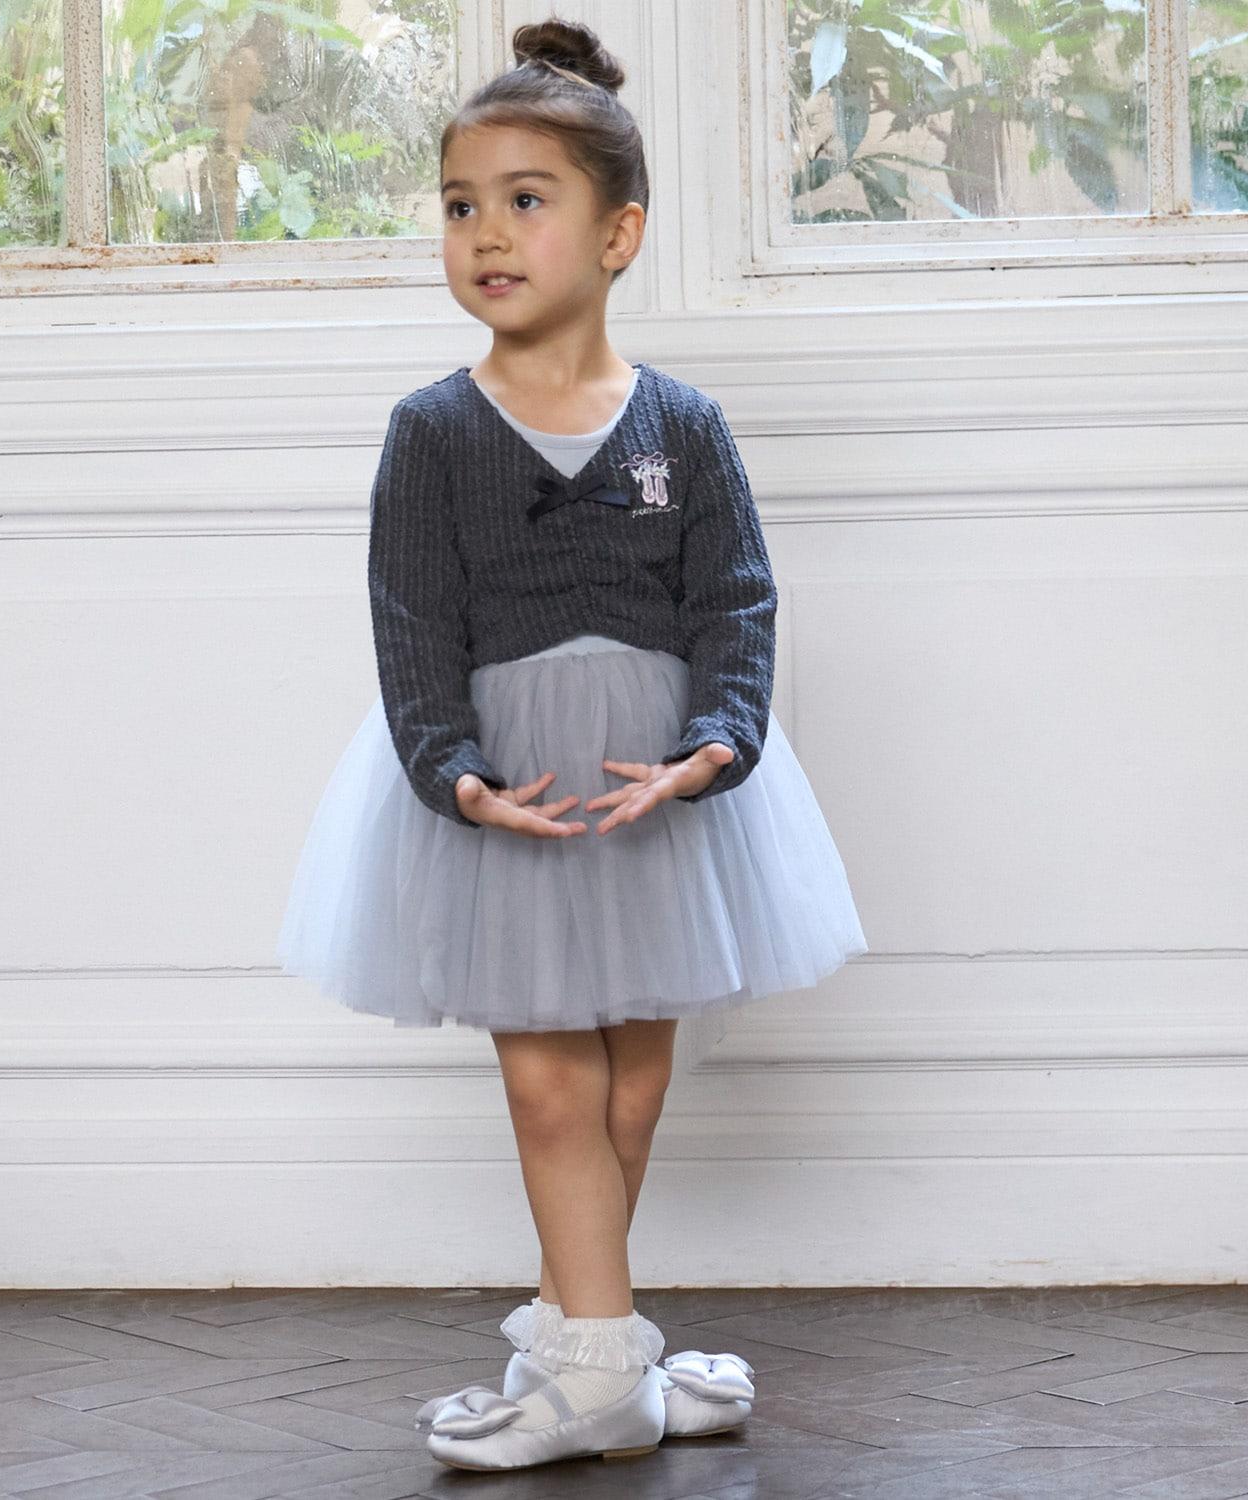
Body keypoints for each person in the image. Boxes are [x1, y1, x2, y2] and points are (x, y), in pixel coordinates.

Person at [275, 16, 869, 1473]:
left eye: (526, 200)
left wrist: (715, 745)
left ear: (619, 234)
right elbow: (412, 622)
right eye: (460, 204)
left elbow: (736, 602)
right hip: (518, 787)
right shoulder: (431, 432)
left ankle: (578, 1347)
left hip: (649, 788)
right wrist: (455, 774)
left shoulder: (686, 425)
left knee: (632, 1084)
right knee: (549, 1084)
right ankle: (606, 1375)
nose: (486, 233)